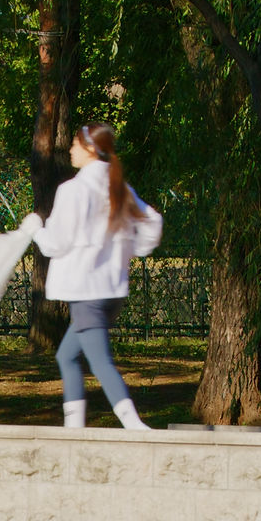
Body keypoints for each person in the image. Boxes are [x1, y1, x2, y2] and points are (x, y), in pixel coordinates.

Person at [34, 121, 161, 431]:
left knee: (100, 361)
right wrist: (131, 250)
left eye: (75, 145)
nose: (71, 150)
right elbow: (152, 222)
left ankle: (134, 426)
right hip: (111, 291)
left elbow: (57, 242)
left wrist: (36, 230)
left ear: (90, 149)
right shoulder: (119, 187)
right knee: (66, 356)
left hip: (86, 291)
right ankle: (74, 428)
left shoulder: (73, 190)